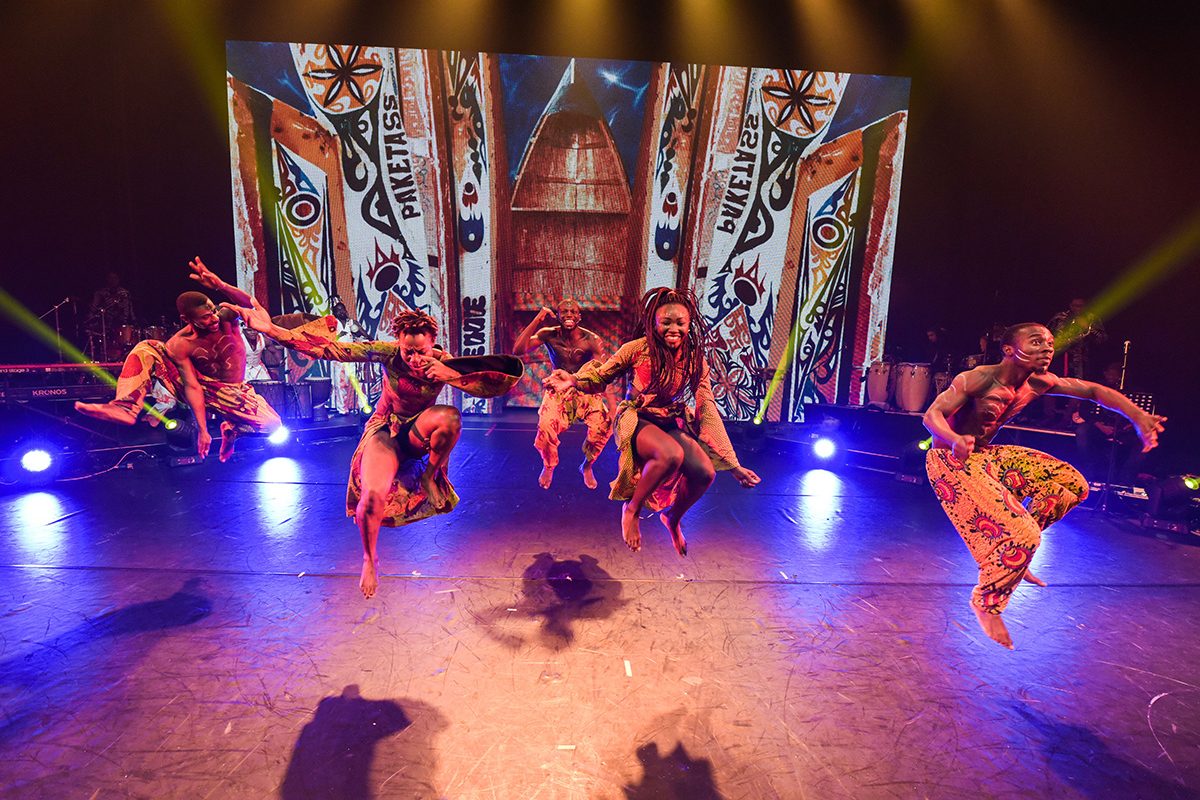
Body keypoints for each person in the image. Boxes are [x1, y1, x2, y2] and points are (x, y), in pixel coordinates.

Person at [226, 296, 522, 599]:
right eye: (408, 351)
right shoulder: (389, 354)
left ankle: (429, 475)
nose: (415, 359)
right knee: (370, 499)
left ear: (434, 343)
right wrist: (272, 330)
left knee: (450, 418)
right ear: (399, 343)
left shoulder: (444, 362)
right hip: (385, 430)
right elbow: (334, 350)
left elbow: (497, 384)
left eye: (421, 352)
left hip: (418, 431)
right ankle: (369, 558)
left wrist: (452, 375)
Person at [923, 322, 1165, 650]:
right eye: (1036, 342)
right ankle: (986, 602)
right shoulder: (978, 377)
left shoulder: (1040, 382)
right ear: (1009, 349)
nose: (1047, 349)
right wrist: (953, 439)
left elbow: (1094, 391)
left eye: (1049, 343)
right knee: (1024, 535)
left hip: (986, 456)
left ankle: (1015, 556)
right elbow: (932, 415)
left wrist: (1138, 416)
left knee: (1071, 485)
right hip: (949, 461)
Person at [546, 288, 761, 557]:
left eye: (680, 323)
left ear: (689, 323)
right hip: (637, 419)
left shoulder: (694, 359)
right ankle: (631, 509)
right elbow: (602, 376)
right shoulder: (636, 349)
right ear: (654, 323)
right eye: (666, 323)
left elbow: (707, 408)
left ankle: (672, 518)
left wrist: (734, 465)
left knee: (705, 473)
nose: (674, 329)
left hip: (669, 419)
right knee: (670, 455)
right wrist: (574, 380)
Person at [75, 257, 282, 462]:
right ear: (187, 319)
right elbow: (192, 386)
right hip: (199, 385)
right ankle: (126, 406)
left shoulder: (226, 316)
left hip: (234, 389)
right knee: (148, 347)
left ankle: (231, 430)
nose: (213, 319)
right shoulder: (180, 343)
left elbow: (253, 307)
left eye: (212, 311)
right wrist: (203, 430)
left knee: (273, 425)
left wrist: (221, 285)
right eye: (205, 317)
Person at [513, 300, 614, 489]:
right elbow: (518, 350)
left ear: (579, 316)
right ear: (558, 315)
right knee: (545, 425)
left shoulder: (591, 340)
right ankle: (549, 465)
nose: (569, 315)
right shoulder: (548, 334)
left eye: (573, 312)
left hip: (584, 387)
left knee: (602, 428)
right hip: (558, 388)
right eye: (565, 311)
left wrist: (613, 408)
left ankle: (587, 465)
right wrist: (538, 318)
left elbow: (602, 374)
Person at [1048, 297, 1107, 379]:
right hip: (1060, 358)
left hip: (1084, 361)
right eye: (1076, 306)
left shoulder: (1092, 318)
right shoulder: (1060, 317)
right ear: (1070, 306)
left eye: (1081, 306)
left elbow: (1102, 338)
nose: (1078, 309)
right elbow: (1047, 334)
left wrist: (1088, 328)